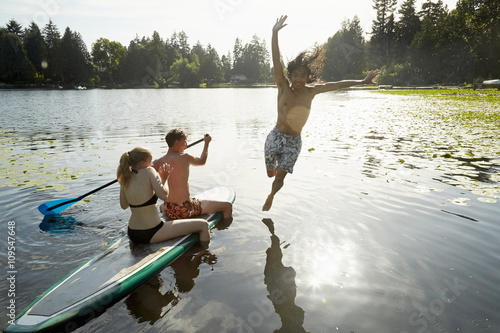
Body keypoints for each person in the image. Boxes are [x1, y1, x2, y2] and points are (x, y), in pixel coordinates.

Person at [262, 15, 380, 211]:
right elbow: (276, 60)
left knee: (280, 178)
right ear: (289, 76)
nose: (299, 80)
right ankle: (271, 176)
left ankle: (271, 195)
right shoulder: (283, 86)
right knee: (270, 173)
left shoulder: (312, 91)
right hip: (275, 137)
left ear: (308, 77)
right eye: (295, 75)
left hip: (294, 142)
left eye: (303, 76)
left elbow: (337, 85)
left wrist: (362, 81)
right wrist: (274, 33)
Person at [117, 147, 210, 245]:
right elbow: (164, 195)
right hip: (151, 231)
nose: (152, 164)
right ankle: (204, 252)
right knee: (203, 225)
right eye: (150, 161)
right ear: (142, 163)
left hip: (132, 233)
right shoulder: (149, 171)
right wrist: (164, 178)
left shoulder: (125, 177)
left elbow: (124, 206)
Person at [153, 129, 232, 220]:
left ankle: (163, 209)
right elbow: (202, 161)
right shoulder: (185, 157)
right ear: (177, 143)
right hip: (185, 209)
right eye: (185, 142)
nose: (186, 144)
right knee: (227, 206)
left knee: (162, 206)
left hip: (168, 208)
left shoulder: (158, 162)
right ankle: (225, 227)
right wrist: (206, 144)